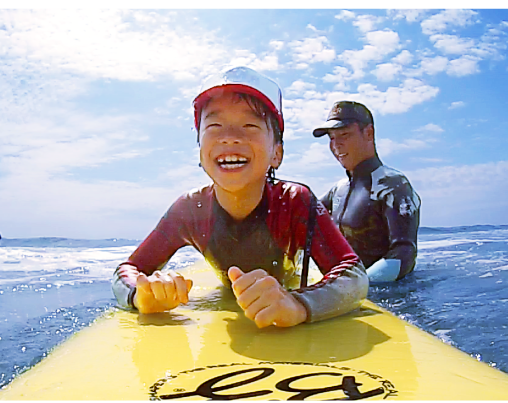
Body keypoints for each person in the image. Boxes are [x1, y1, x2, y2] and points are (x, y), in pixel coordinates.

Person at [112, 67, 368, 328]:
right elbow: (126, 270)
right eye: (214, 126)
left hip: (287, 284)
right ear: (200, 150)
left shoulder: (294, 201)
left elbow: (354, 274)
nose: (230, 138)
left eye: (250, 125)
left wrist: (299, 304)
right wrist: (140, 295)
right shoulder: (189, 210)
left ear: (276, 153)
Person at [313, 101, 420, 283]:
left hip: (387, 295)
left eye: (344, 135)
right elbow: (299, 216)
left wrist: (355, 287)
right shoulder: (337, 190)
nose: (336, 145)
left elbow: (404, 253)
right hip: (344, 289)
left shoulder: (393, 185)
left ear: (368, 133)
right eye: (331, 137)